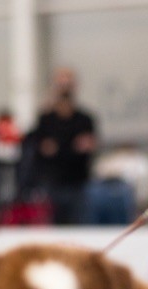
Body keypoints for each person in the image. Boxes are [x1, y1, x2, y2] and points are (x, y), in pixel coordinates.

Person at [31, 67, 97, 225]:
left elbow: (87, 147)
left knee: (81, 227)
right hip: (52, 184)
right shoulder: (45, 119)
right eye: (61, 84)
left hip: (79, 184)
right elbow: (41, 149)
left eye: (68, 84)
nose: (64, 88)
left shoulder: (85, 119)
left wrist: (58, 148)